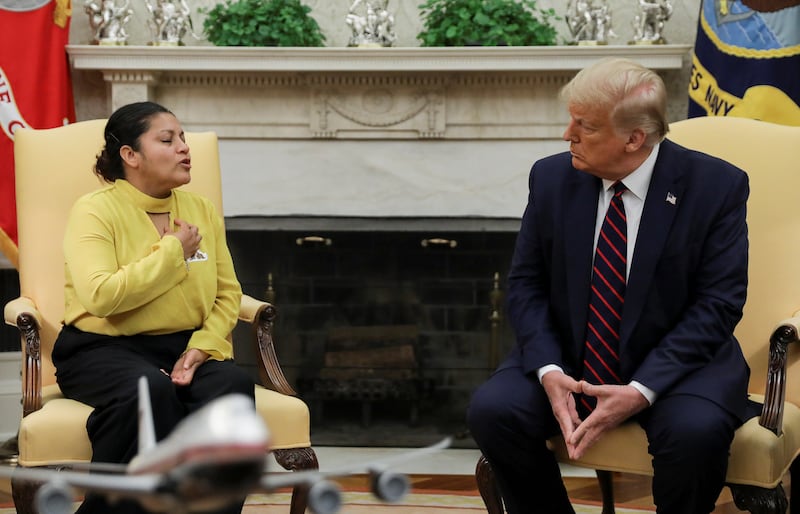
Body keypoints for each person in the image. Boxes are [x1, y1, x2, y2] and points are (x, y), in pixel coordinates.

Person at [467, 58, 753, 514]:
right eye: (570, 121)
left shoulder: (716, 186)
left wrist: (642, 388)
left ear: (634, 138)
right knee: (493, 411)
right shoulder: (552, 177)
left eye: (585, 126)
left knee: (694, 433)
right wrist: (549, 370)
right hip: (572, 357)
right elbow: (525, 284)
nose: (568, 135)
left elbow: (718, 304)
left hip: (677, 366)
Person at [52, 101, 255, 514]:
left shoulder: (200, 211)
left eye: (183, 137)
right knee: (148, 390)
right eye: (167, 139)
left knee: (230, 387)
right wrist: (173, 253)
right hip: (100, 350)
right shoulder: (95, 211)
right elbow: (102, 296)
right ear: (130, 156)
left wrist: (202, 348)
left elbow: (227, 293)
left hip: (184, 346)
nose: (184, 147)